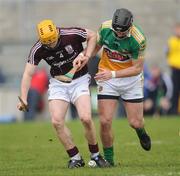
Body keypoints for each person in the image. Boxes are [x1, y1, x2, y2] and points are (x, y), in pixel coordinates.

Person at [17, 19, 109, 168]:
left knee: (86, 118)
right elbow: (28, 73)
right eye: (47, 43)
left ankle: (96, 155)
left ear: (56, 32)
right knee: (57, 121)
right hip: (58, 83)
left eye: (53, 41)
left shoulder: (71, 34)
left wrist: (86, 55)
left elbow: (93, 36)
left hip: (79, 80)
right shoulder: (38, 48)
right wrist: (23, 97)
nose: (51, 45)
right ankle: (75, 158)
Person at [93, 8, 151, 166]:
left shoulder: (138, 39)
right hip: (107, 78)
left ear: (130, 26)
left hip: (130, 79)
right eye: (116, 31)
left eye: (123, 32)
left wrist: (112, 74)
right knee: (104, 121)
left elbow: (137, 68)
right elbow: (95, 47)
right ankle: (109, 161)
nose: (119, 34)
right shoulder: (105, 28)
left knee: (135, 122)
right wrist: (84, 57)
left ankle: (141, 131)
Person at [166, 23, 180, 115]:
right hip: (175, 68)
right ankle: (174, 110)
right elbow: (167, 52)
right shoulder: (171, 41)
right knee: (175, 90)